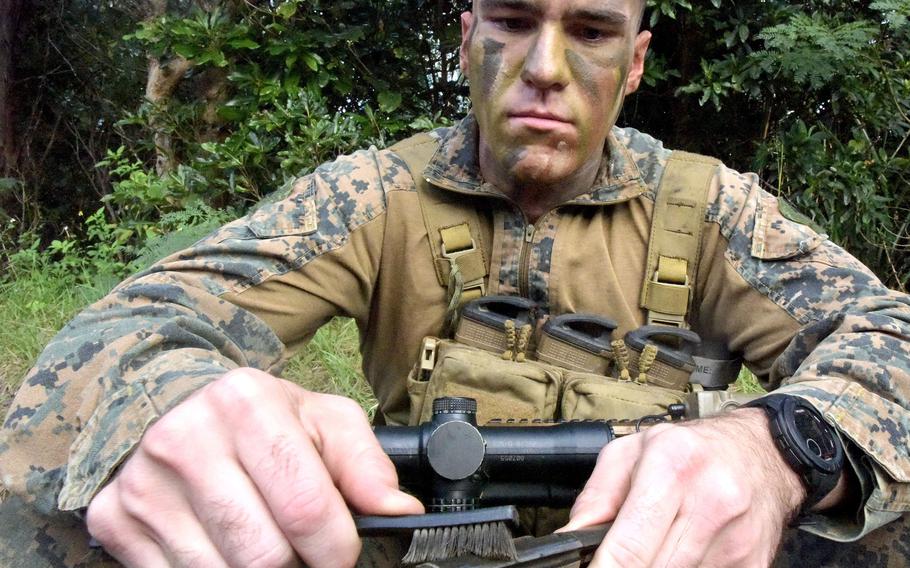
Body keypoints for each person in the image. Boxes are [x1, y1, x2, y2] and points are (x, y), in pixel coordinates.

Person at [2, 0, 908, 566]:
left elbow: (889, 332)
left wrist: (773, 449)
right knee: (74, 488)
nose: (545, 69)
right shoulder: (372, 194)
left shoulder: (707, 208)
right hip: (410, 537)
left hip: (649, 545)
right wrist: (179, 401)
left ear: (634, 64)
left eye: (590, 31)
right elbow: (131, 323)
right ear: (467, 39)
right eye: (513, 22)